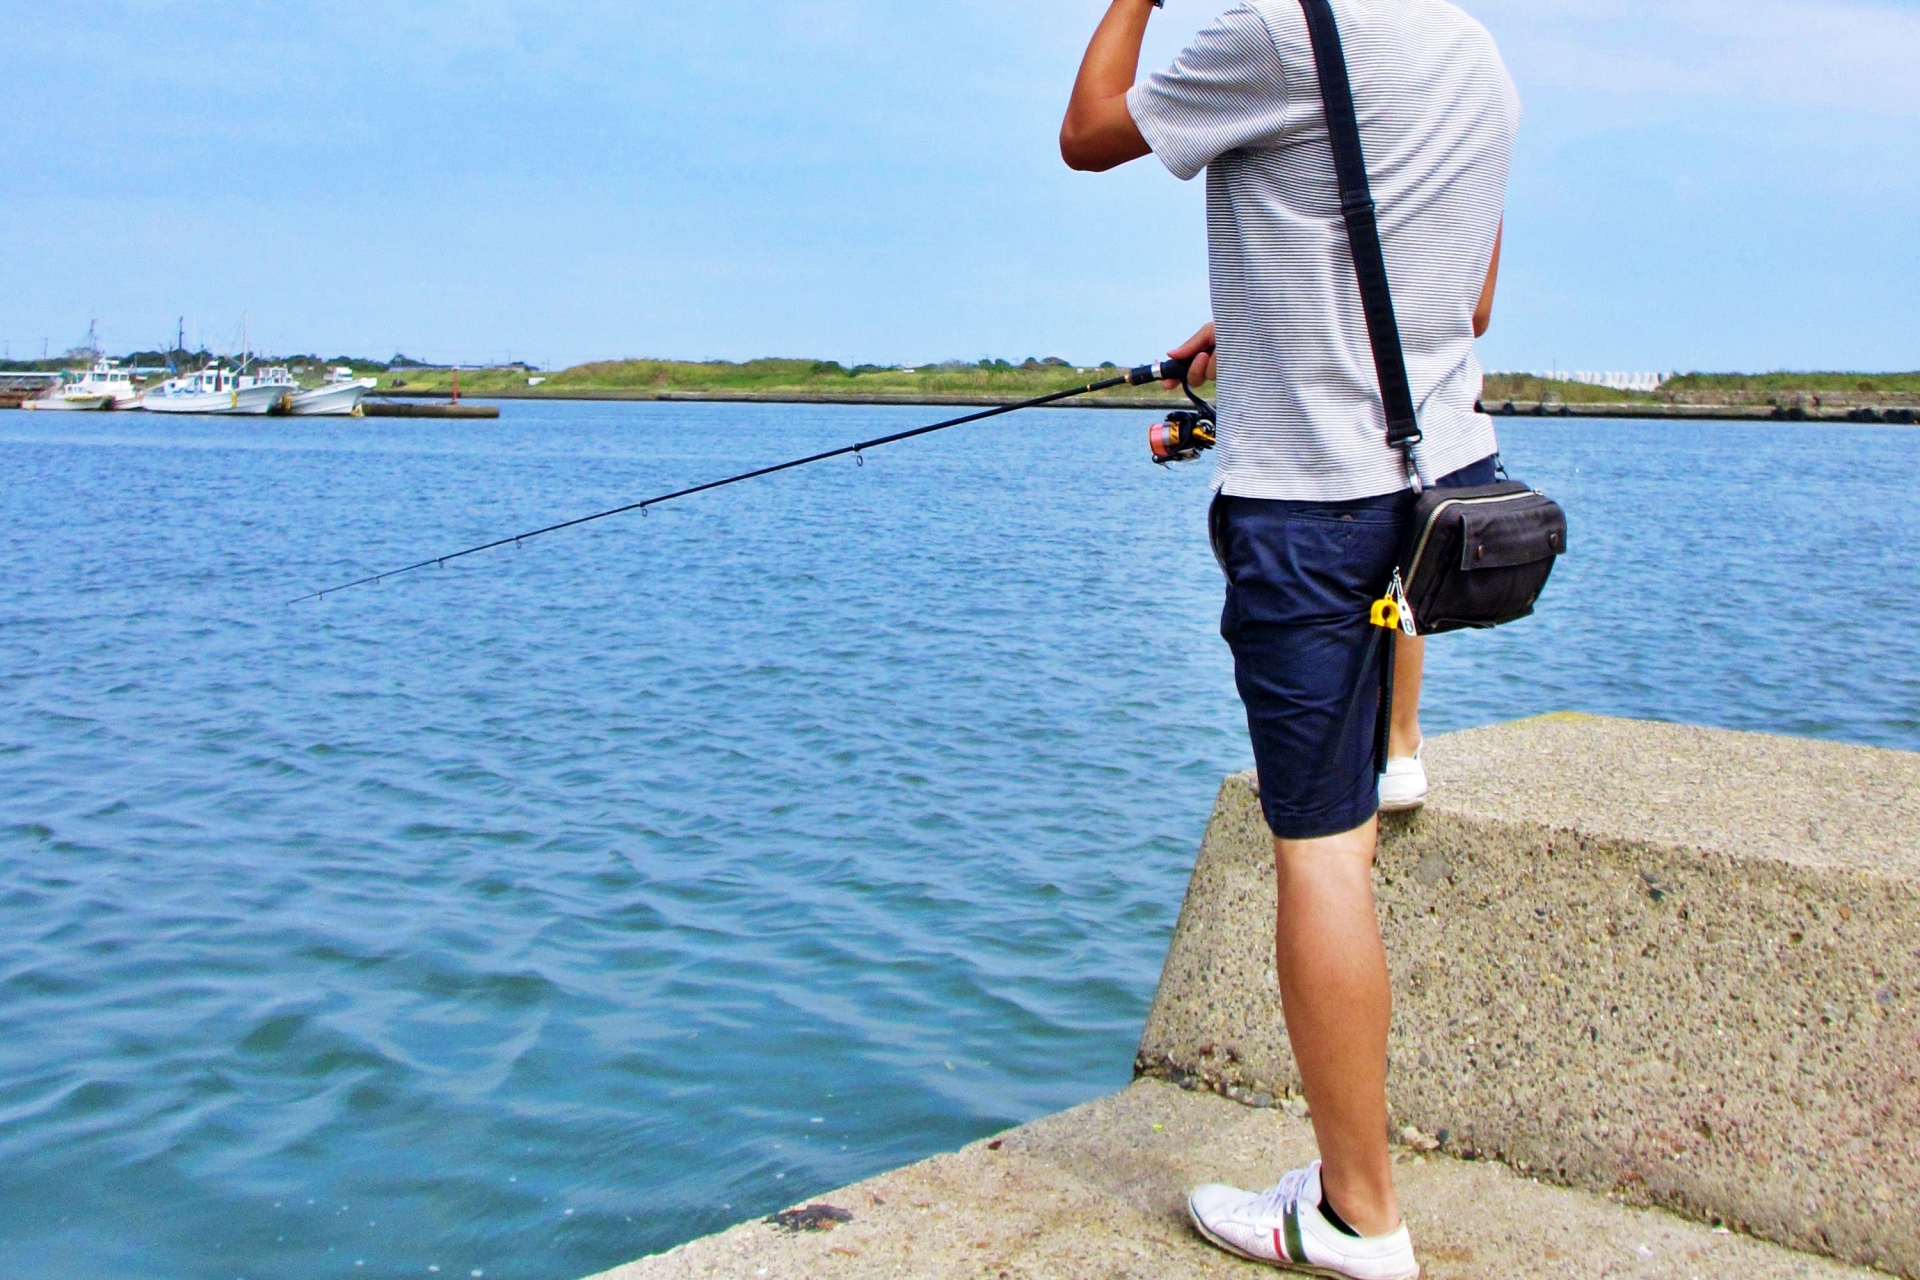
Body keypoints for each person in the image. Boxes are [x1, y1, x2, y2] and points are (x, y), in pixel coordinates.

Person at [1061, 2, 1515, 1277]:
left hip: (1313, 507)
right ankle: (1349, 1172)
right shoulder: (1472, 50)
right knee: (1350, 821)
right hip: (1439, 485)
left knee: (1318, 854)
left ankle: (1359, 1214)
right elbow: (1466, 298)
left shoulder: (1276, 30)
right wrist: (1267, 324)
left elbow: (1087, 133)